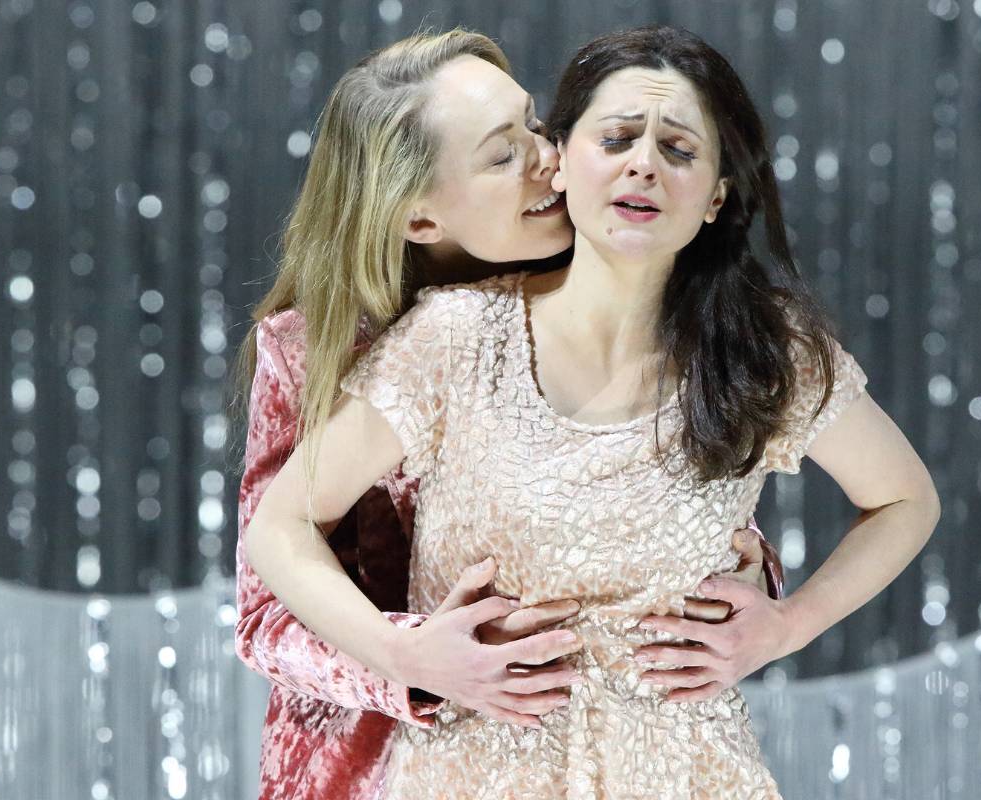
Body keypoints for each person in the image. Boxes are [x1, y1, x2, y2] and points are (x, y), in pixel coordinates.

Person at [245, 24, 940, 799]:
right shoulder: (435, 337)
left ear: (717, 196)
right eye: (612, 139)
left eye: (534, 127)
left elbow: (903, 498)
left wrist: (780, 619)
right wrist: (409, 657)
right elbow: (274, 559)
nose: (543, 158)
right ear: (422, 218)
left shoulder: (759, 346)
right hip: (446, 759)